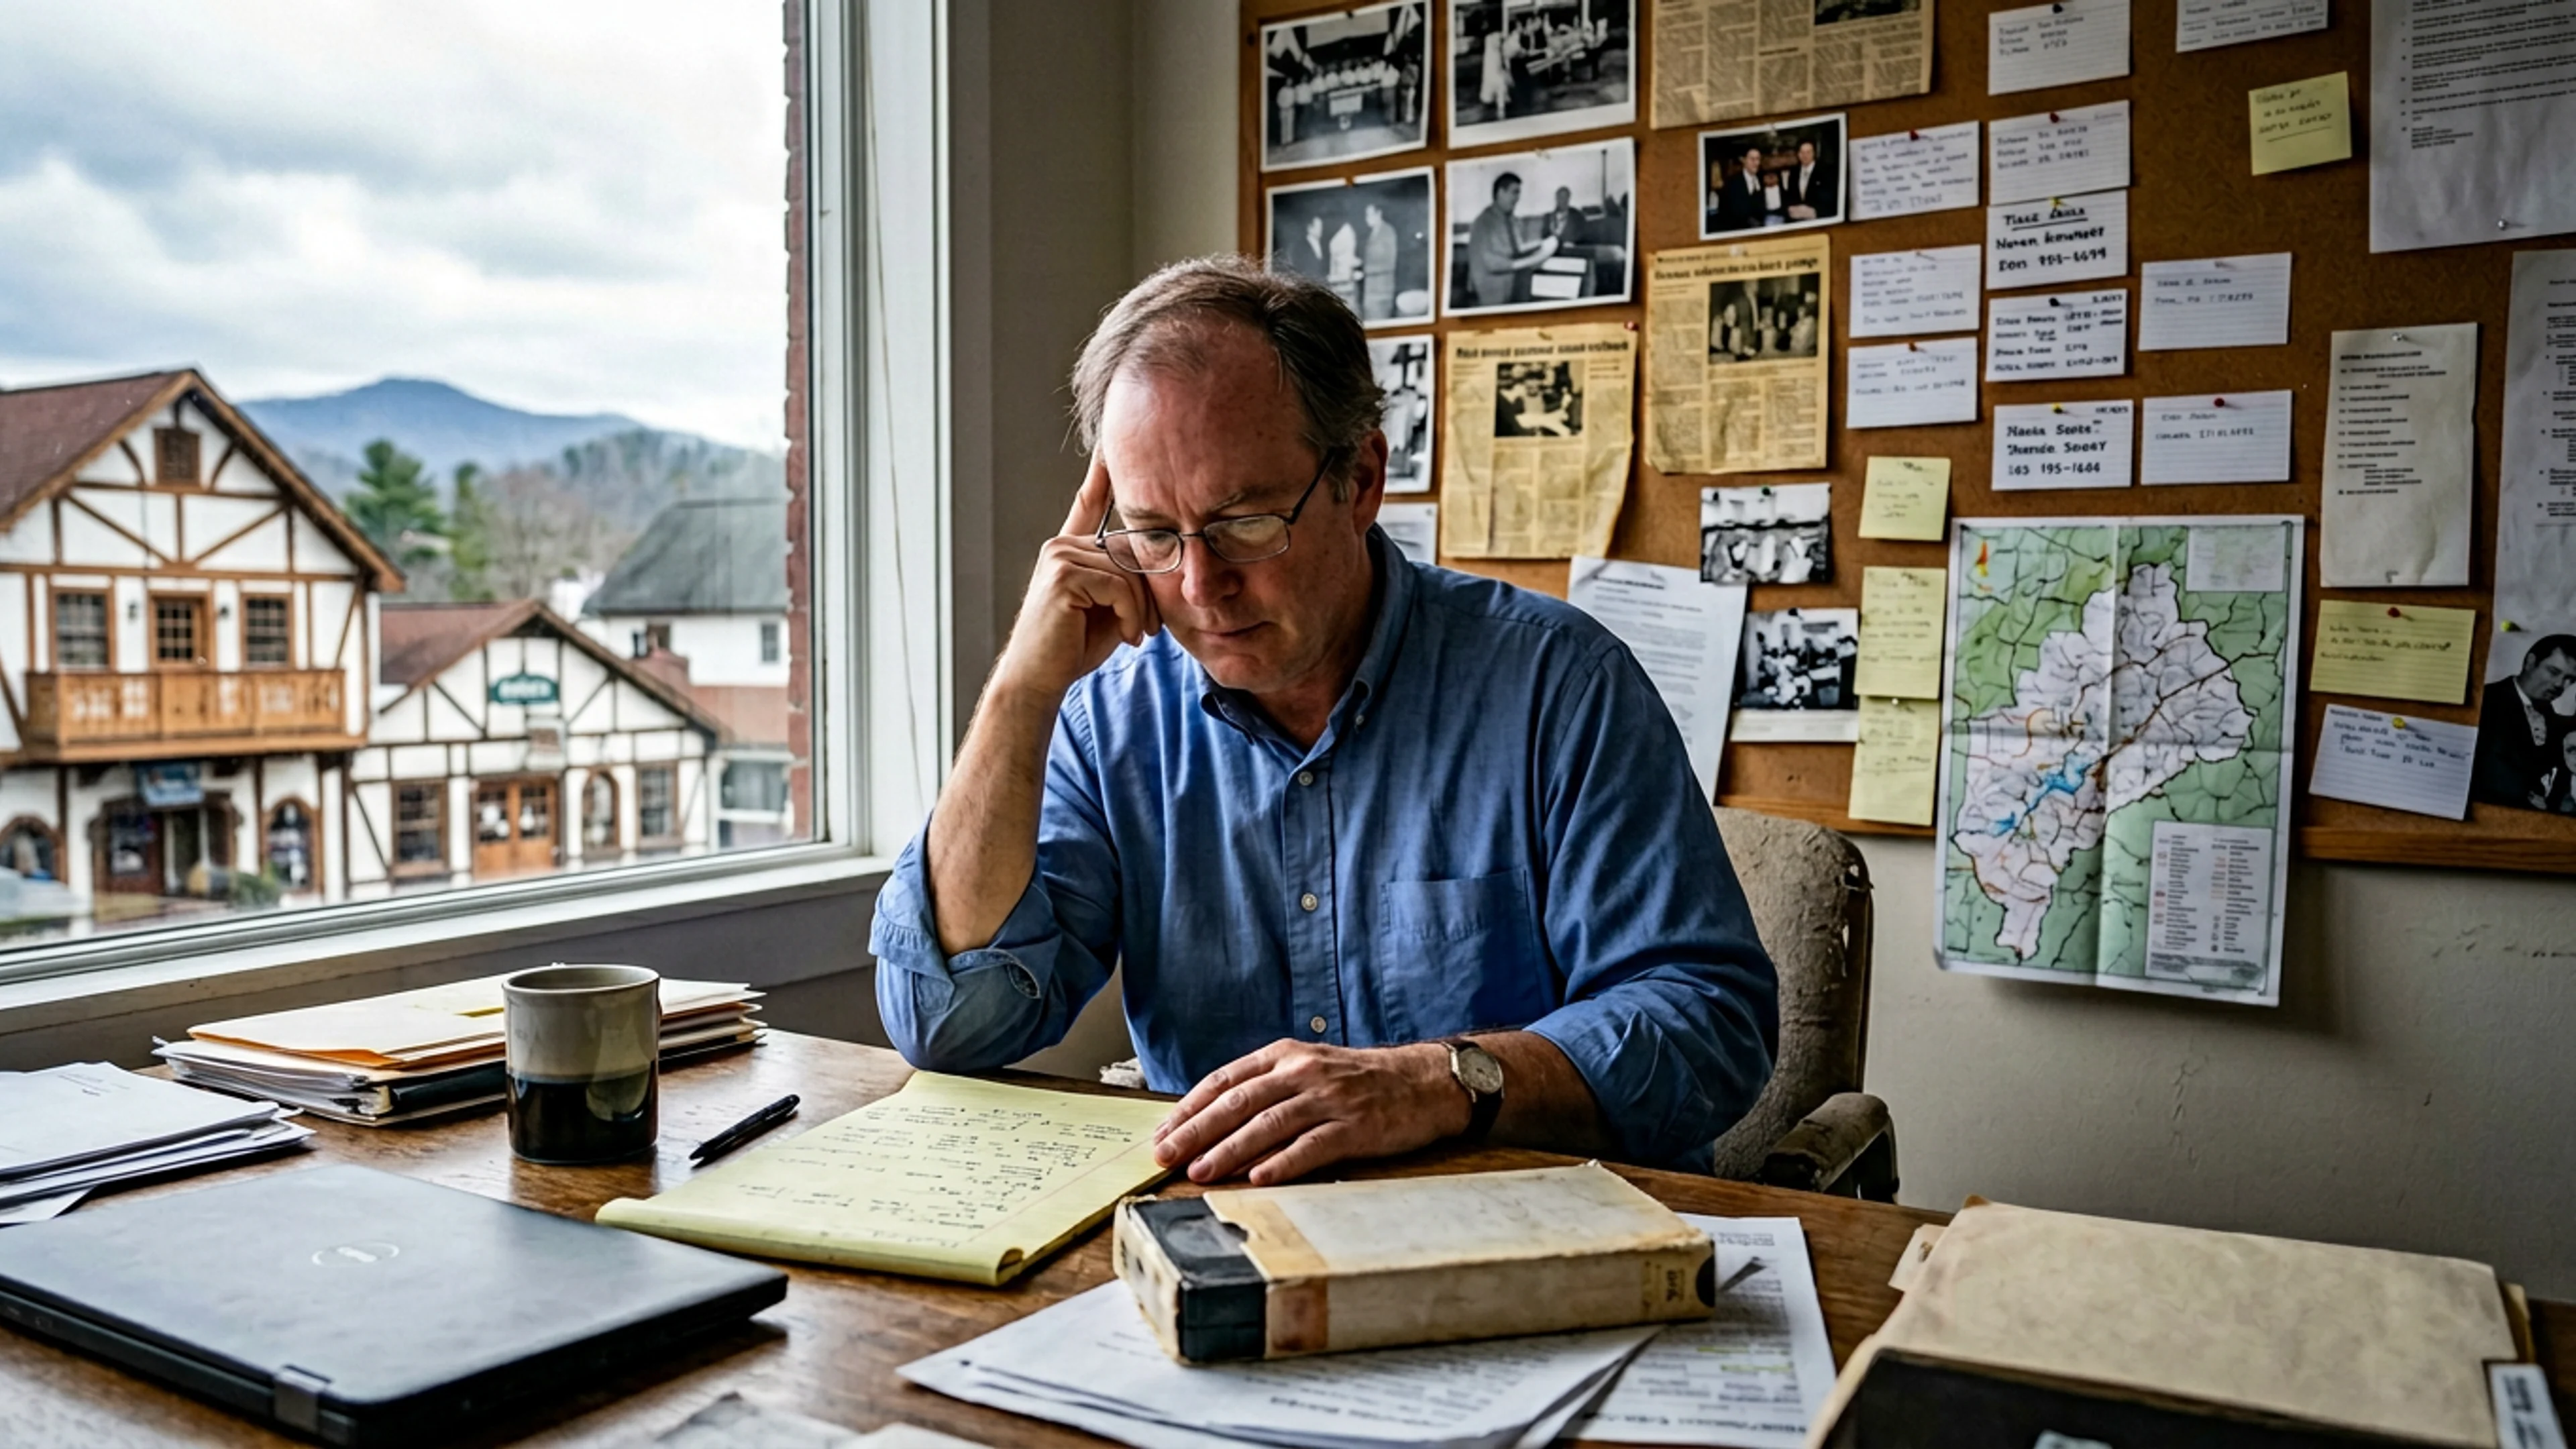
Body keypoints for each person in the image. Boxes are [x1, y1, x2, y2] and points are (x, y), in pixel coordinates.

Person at [871, 257, 1778, 1186]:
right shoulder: (1109, 722)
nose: (1198, 586)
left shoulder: (1559, 687)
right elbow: (950, 1024)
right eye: (1153, 533)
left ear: (1363, 480)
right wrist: (1023, 688)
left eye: (1246, 522)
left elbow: (1710, 1023)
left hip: (1538, 1233)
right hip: (1230, 1242)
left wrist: (1440, 1082)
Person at [2471, 634, 2576, 810]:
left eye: (2570, 680)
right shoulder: (2484, 702)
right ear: (2530, 662)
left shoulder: (2555, 721)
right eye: (2554, 672)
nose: (2560, 684)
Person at [1466, 171, 1558, 308]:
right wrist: (1536, 258)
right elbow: (1493, 263)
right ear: (1500, 193)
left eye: (1519, 193)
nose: (1518, 198)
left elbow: (1515, 250)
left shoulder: (1511, 221)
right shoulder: (1483, 223)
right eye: (1515, 192)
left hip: (1513, 291)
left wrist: (1542, 244)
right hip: (1493, 300)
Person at [1711, 144, 1770, 233]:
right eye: (1752, 159)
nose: (1756, 163)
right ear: (1744, 160)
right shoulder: (1732, 182)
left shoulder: (1761, 180)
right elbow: (1731, 213)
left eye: (1758, 159)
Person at [1359, 200, 1399, 321]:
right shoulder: (1373, 233)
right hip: (1371, 293)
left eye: (1369, 214)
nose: (1367, 219)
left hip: (1382, 294)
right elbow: (1374, 260)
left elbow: (1389, 264)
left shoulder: (1388, 232)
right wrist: (1360, 264)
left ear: (1379, 214)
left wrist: (1364, 272)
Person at [1782, 139, 1836, 222]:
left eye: (1808, 152)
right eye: (1802, 153)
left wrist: (1815, 212)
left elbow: (1830, 199)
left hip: (1819, 220)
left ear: (1814, 153)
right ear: (1798, 154)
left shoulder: (1826, 172)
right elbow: (1790, 197)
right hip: (1797, 220)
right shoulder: (1794, 172)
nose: (1805, 156)